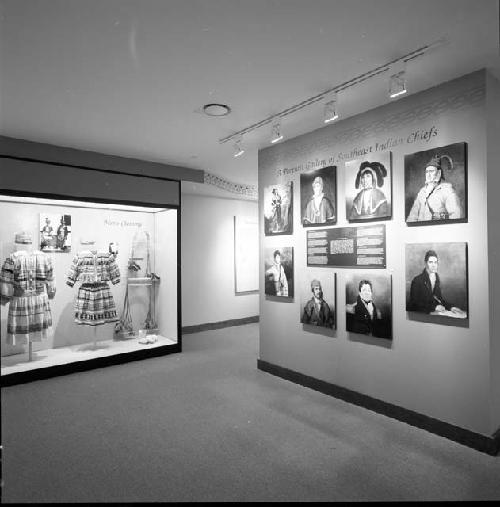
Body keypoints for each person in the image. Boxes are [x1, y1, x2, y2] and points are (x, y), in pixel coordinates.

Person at [407, 154, 463, 222]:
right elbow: (412, 216)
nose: (428, 175)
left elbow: (456, 215)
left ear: (439, 173)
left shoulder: (447, 190)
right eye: (427, 172)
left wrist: (438, 216)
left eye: (431, 171)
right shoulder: (422, 192)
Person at [408, 249, 463, 315]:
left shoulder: (436, 278)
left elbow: (439, 299)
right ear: (425, 264)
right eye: (430, 262)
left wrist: (451, 307)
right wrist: (434, 307)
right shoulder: (417, 280)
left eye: (435, 262)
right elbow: (414, 303)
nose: (433, 265)